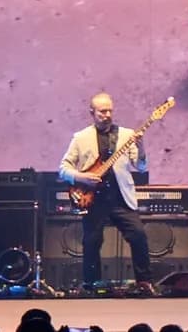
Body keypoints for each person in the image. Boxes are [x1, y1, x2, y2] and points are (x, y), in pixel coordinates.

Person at [59, 93, 154, 293]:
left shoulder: (127, 135)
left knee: (138, 235)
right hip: (93, 199)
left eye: (110, 110)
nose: (107, 114)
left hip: (121, 197)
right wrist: (81, 178)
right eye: (102, 111)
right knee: (91, 241)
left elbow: (141, 167)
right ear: (92, 113)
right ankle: (92, 284)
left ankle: (144, 282)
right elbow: (63, 169)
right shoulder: (81, 137)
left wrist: (141, 146)